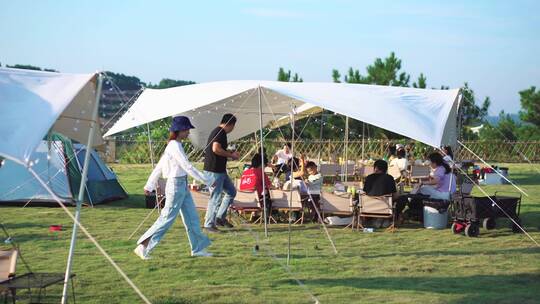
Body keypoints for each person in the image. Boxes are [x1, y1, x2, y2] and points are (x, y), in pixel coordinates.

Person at [134, 116, 213, 260]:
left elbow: (159, 166)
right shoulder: (174, 146)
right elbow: (186, 166)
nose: (189, 132)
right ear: (180, 130)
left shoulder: (174, 145)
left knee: (192, 218)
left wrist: (149, 184)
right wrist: (207, 180)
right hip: (176, 186)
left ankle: (198, 249)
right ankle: (143, 246)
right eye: (187, 129)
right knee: (166, 219)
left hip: (182, 184)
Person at [203, 114, 240, 232]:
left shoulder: (218, 132)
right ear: (231, 124)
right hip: (214, 171)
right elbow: (215, 149)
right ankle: (209, 224)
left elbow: (218, 149)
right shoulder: (220, 132)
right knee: (216, 197)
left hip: (220, 171)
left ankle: (220, 217)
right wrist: (231, 155)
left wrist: (228, 152)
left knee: (231, 192)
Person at [240, 152, 272, 220]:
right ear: (261, 164)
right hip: (256, 201)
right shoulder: (261, 172)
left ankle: (255, 214)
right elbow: (270, 187)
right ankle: (267, 217)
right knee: (269, 196)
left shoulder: (245, 172)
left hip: (242, 201)